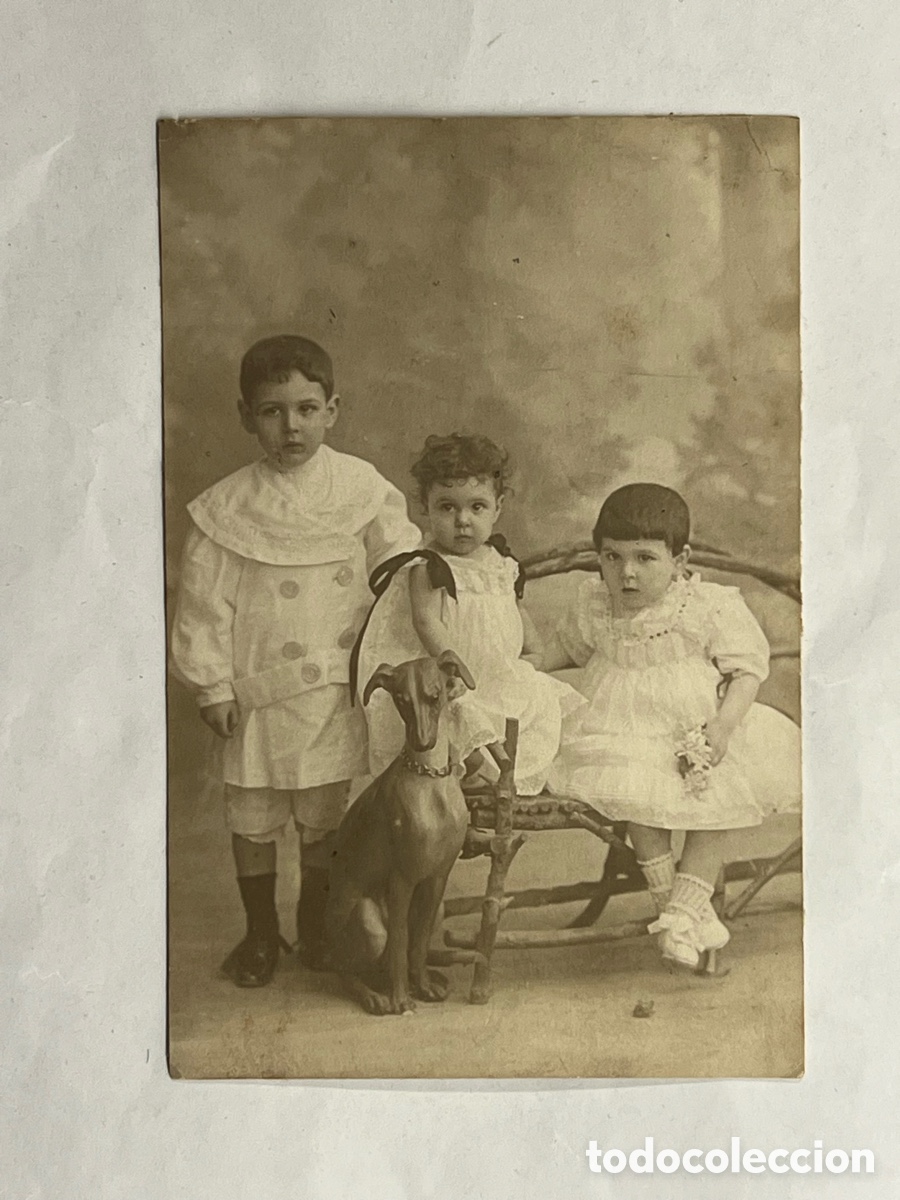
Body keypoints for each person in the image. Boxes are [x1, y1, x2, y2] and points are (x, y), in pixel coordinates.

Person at [169, 334, 421, 986]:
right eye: (273, 411)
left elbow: (398, 567)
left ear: (333, 409)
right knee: (254, 816)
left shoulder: (359, 485)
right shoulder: (228, 507)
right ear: (246, 416)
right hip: (258, 692)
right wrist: (212, 685)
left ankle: (314, 927)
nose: (292, 426)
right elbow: (204, 604)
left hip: (334, 689)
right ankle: (260, 933)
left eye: (307, 409)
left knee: (321, 816)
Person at [542, 483, 801, 969]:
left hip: (695, 724)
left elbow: (746, 670)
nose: (627, 573)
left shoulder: (706, 604)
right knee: (639, 792)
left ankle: (678, 914)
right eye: (612, 558)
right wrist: (520, 666)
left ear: (680, 560)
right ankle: (678, 914)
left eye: (645, 558)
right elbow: (561, 654)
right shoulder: (594, 604)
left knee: (719, 798)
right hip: (619, 726)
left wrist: (723, 727)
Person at [356, 433, 582, 795]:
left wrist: (532, 652)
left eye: (476, 507)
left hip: (498, 674)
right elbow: (427, 621)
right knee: (461, 716)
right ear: (425, 510)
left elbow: (514, 608)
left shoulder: (502, 564)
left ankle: (509, 775)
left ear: (498, 507)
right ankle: (480, 776)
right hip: (452, 679)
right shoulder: (428, 566)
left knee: (539, 698)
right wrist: (452, 668)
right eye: (447, 507)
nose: (462, 520)